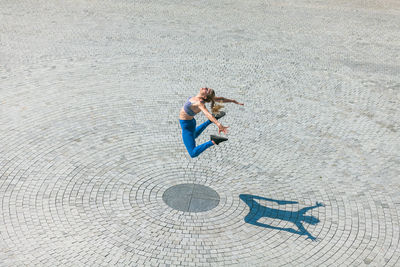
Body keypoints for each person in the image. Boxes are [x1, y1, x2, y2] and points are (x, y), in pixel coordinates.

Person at [179, 87, 244, 158]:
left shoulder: (199, 103)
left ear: (204, 96)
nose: (205, 88)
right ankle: (209, 121)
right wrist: (233, 100)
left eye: (207, 90)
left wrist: (218, 124)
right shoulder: (199, 98)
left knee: (193, 153)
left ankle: (213, 141)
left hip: (187, 126)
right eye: (207, 88)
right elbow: (220, 99)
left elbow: (207, 114)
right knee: (193, 135)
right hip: (190, 123)